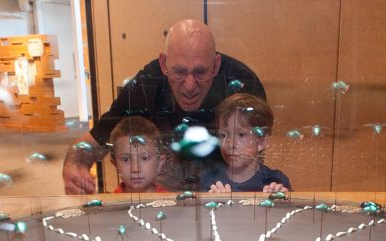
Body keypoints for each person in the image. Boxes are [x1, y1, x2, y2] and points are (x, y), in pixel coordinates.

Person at [62, 19, 266, 194]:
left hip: (226, 186)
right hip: (165, 190)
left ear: (216, 65)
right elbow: (94, 140)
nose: (189, 85)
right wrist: (75, 163)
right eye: (179, 71)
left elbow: (255, 156)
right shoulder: (145, 85)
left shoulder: (242, 84)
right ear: (163, 64)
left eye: (200, 72)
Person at [202, 93, 290, 193]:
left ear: (261, 141)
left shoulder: (275, 181)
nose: (230, 144)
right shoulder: (210, 180)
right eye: (223, 135)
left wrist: (279, 201)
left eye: (241, 135)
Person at [107, 116, 169, 193]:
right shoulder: (110, 202)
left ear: (159, 163)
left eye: (145, 158)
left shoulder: (171, 202)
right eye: (126, 159)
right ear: (115, 165)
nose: (135, 169)